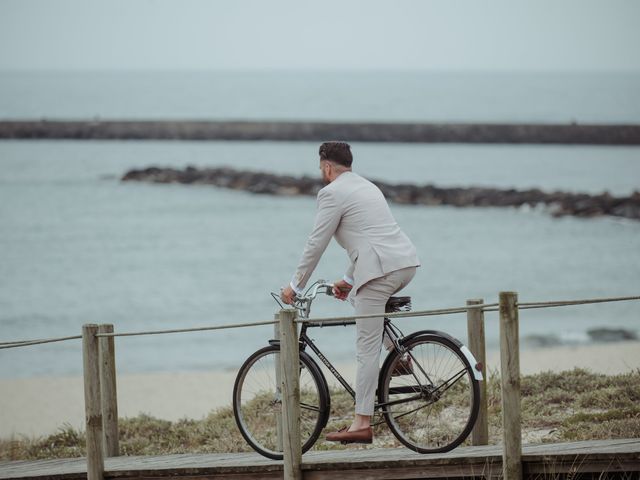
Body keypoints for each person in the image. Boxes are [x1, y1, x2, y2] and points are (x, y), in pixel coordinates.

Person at [280, 141, 420, 444]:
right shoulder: (367, 187)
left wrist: (295, 285)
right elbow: (370, 238)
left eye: (321, 169)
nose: (322, 174)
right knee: (358, 296)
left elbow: (316, 243)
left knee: (365, 350)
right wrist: (346, 279)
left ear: (327, 167)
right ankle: (399, 357)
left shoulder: (331, 193)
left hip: (380, 269)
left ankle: (361, 423)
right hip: (404, 264)